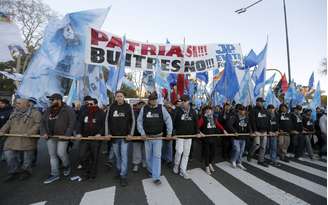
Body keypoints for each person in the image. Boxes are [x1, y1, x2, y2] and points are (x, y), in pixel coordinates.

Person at [0, 98, 41, 181]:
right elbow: (8, 123)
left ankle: (26, 171)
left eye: (18, 103)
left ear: (25, 104)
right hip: (13, 138)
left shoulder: (35, 113)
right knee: (8, 153)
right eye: (16, 103)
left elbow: (38, 124)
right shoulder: (14, 113)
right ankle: (14, 171)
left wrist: (30, 132)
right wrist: (2, 130)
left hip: (27, 138)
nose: (16, 105)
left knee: (27, 158)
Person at [137, 92, 173, 184]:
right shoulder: (144, 109)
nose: (153, 101)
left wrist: (169, 133)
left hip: (158, 137)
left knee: (157, 156)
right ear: (149, 100)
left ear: (157, 99)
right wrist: (142, 133)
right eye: (152, 99)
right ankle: (150, 170)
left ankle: (156, 176)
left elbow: (168, 120)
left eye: (155, 99)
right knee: (148, 157)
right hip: (147, 138)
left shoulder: (162, 108)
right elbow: (139, 122)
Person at [40, 93, 76, 184]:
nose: (51, 101)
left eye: (52, 100)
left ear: (59, 100)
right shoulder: (48, 110)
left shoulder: (68, 109)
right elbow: (42, 122)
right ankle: (54, 174)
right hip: (50, 136)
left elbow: (72, 123)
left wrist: (67, 134)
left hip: (63, 136)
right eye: (50, 100)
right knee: (52, 155)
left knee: (61, 153)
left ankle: (67, 165)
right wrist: (44, 132)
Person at [105, 91, 134, 187]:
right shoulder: (111, 107)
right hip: (114, 137)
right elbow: (107, 121)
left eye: (121, 96)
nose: (119, 98)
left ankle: (123, 176)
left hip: (125, 137)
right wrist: (107, 133)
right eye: (117, 96)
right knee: (118, 156)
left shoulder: (128, 107)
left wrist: (131, 134)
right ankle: (119, 170)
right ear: (115, 97)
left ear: (124, 97)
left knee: (124, 156)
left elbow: (132, 121)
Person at [75, 98, 105, 180]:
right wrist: (78, 133)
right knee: (82, 156)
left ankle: (93, 173)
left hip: (95, 138)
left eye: (91, 104)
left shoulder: (101, 113)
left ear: (96, 104)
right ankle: (86, 171)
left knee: (94, 157)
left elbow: (103, 125)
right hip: (84, 138)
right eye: (87, 104)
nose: (89, 105)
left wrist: (100, 133)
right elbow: (79, 123)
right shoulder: (84, 112)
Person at [173, 95, 200, 179]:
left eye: (184, 101)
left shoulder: (193, 111)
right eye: (182, 101)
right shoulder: (177, 110)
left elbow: (196, 123)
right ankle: (176, 165)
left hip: (189, 136)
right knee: (179, 151)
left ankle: (183, 170)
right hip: (179, 135)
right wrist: (173, 134)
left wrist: (198, 132)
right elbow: (173, 122)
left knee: (186, 154)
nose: (182, 103)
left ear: (188, 101)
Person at [198, 105, 226, 175]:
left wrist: (224, 130)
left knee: (213, 153)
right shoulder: (203, 118)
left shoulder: (214, 118)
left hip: (213, 138)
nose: (209, 111)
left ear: (212, 111)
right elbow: (197, 127)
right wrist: (200, 133)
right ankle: (207, 166)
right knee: (207, 153)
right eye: (207, 110)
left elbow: (218, 124)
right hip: (206, 139)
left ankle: (210, 163)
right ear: (205, 111)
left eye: (210, 110)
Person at [227, 104, 252, 170]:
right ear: (239, 110)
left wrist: (250, 131)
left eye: (244, 110)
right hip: (236, 137)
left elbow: (249, 126)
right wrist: (234, 131)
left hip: (243, 137)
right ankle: (233, 161)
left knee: (241, 151)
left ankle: (239, 162)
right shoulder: (234, 117)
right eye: (242, 110)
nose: (243, 112)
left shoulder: (246, 117)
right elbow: (229, 125)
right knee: (237, 149)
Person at [248, 97, 270, 167]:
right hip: (257, 131)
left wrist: (267, 130)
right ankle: (250, 154)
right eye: (261, 102)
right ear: (257, 102)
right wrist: (254, 131)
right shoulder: (253, 110)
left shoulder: (265, 110)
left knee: (263, 147)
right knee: (256, 145)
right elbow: (252, 122)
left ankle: (261, 160)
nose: (262, 103)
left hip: (264, 131)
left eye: (263, 102)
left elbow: (268, 121)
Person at [132, 101, 146, 173]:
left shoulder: (147, 112)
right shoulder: (134, 113)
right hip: (136, 134)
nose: (141, 106)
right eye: (140, 104)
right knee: (136, 150)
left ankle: (144, 161)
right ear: (137, 105)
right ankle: (136, 164)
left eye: (143, 105)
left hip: (146, 135)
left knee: (145, 150)